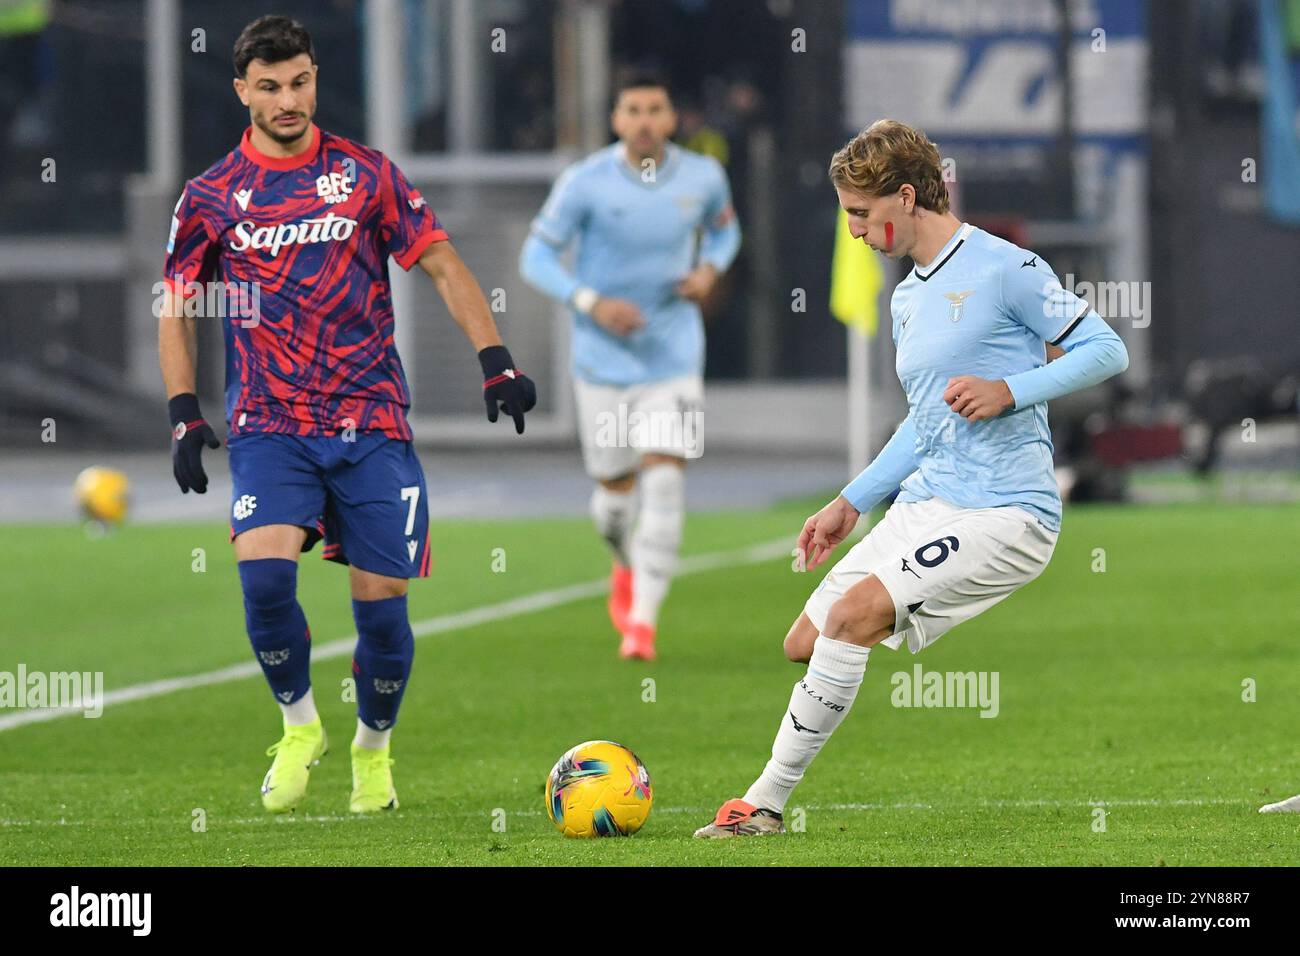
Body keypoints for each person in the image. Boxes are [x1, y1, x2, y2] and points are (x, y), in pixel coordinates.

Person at [695, 119, 1129, 837]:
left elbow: (1106, 349)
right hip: (928, 503)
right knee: (806, 642)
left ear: (905, 196)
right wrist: (850, 502)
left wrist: (1011, 389)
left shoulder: (1005, 268)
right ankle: (771, 793)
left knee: (851, 618)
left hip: (1005, 514)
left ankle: (762, 806)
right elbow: (924, 424)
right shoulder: (906, 297)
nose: (856, 231)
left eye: (861, 214)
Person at [158, 16, 535, 814]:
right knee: (262, 576)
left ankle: (372, 747)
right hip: (270, 423)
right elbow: (178, 303)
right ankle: (300, 727)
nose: (287, 99)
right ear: (242, 92)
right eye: (269, 86)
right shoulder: (210, 196)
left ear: (315, 78)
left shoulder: (366, 174)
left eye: (299, 81)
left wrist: (495, 360)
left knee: (383, 607)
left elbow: (440, 259)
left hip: (371, 423)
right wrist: (184, 412)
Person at [519, 73, 740, 661]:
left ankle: (641, 624)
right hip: (602, 362)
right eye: (633, 110)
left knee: (665, 479)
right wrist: (592, 303)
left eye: (656, 109)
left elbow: (725, 231)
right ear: (617, 120)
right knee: (615, 497)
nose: (644, 120)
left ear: (672, 119)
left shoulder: (703, 177)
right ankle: (622, 560)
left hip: (674, 357)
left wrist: (709, 271)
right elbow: (535, 256)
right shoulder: (584, 182)